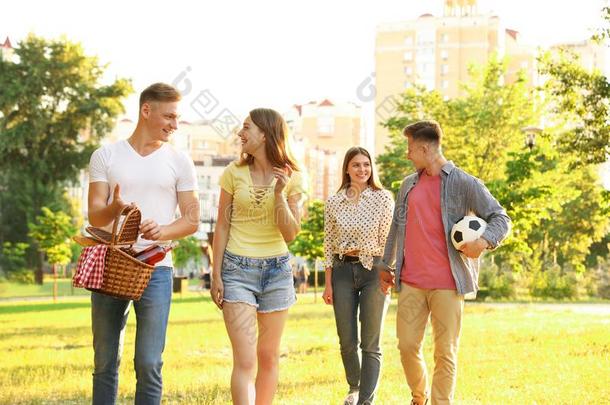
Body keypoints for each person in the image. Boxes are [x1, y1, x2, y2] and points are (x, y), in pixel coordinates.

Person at [376, 120, 511, 405]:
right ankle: (419, 395)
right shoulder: (408, 184)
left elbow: (501, 217)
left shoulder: (465, 183)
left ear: (425, 148)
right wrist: (385, 265)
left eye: (410, 148)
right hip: (412, 282)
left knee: (445, 351)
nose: (407, 154)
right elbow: (396, 227)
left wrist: (484, 241)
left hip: (448, 285)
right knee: (407, 345)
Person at [87, 82, 200, 405]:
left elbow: (192, 219)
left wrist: (162, 231)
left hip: (156, 270)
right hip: (112, 267)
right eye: (170, 117)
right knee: (105, 361)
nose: (175, 125)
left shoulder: (180, 161)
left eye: (177, 118)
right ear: (146, 110)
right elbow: (96, 215)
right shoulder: (106, 155)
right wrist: (115, 207)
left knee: (149, 363)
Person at [210, 108, 305, 405]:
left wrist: (279, 194)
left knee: (268, 357)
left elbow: (290, 233)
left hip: (277, 271)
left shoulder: (294, 177)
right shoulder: (233, 174)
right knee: (246, 359)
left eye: (246, 127)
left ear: (264, 133)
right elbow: (222, 225)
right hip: (237, 270)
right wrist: (216, 275)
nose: (240, 133)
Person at [323, 146, 394, 405]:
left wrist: (389, 272)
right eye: (356, 165)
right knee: (347, 340)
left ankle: (366, 400)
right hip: (342, 270)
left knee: (371, 342)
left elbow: (389, 241)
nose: (362, 169)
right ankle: (354, 387)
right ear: (346, 168)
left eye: (366, 164)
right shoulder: (334, 202)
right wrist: (328, 283)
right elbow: (328, 244)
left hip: (374, 271)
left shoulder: (383, 198)